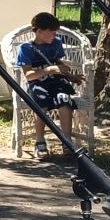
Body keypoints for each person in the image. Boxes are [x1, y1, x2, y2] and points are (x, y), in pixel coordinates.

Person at [16, 11, 81, 159]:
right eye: (51, 32)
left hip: (56, 82)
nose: (54, 35)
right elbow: (29, 75)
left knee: (65, 100)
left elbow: (57, 63)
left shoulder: (56, 43)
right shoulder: (25, 49)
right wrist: (49, 70)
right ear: (39, 31)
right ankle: (40, 142)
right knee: (41, 104)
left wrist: (71, 76)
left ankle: (67, 142)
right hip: (37, 84)